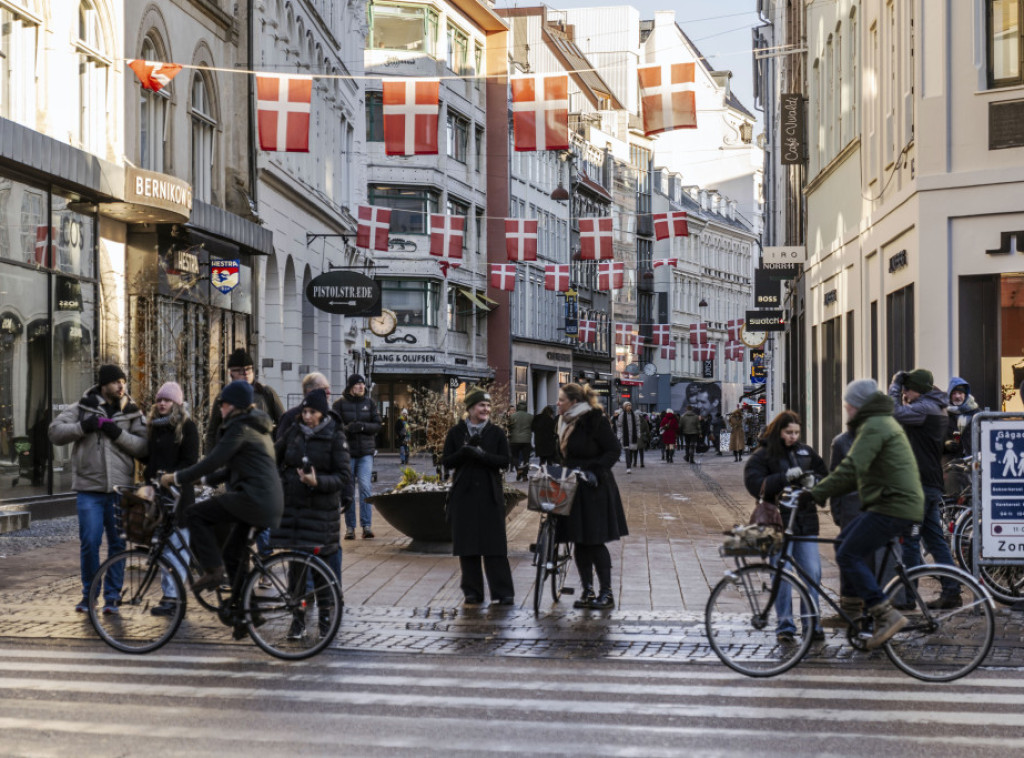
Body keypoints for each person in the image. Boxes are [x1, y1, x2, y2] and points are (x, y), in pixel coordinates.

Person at [809, 379, 924, 649]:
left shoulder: (875, 425)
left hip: (893, 505)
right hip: (890, 502)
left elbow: (851, 468)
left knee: (848, 554)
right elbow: (853, 476)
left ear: (858, 406)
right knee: (843, 543)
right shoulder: (879, 422)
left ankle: (884, 613)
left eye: (848, 405)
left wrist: (815, 494)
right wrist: (821, 492)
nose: (846, 410)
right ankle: (862, 614)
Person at [160, 380, 284, 594]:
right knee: (233, 554)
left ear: (234, 405)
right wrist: (203, 481)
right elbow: (232, 469)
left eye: (223, 404)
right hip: (266, 500)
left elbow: (214, 460)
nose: (220, 408)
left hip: (253, 499)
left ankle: (212, 570)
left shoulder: (240, 428)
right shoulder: (255, 426)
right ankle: (244, 607)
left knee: (194, 514)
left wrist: (177, 477)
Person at [49, 364, 148, 614]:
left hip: (120, 489)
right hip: (89, 489)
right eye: (116, 382)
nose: (121, 386)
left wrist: (117, 433)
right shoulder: (82, 408)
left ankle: (112, 598)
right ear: (103, 385)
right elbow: (55, 432)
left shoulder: (131, 411)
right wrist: (84, 427)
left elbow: (144, 447)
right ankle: (89, 595)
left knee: (117, 545)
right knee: (90, 543)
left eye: (123, 381)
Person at [272, 388, 352, 638]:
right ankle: (297, 619)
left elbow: (343, 476)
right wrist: (282, 481)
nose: (307, 416)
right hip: (295, 510)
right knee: (296, 567)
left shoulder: (335, 436)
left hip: (321, 513)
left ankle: (325, 619)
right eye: (305, 411)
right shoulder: (294, 432)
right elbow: (275, 456)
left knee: (320, 567)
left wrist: (317, 482)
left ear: (322, 413)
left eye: (312, 412)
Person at [744, 410, 829, 643]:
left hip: (805, 521)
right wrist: (784, 477)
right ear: (778, 431)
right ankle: (785, 625)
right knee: (781, 575)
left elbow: (824, 475)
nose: (793, 437)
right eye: (788, 432)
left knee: (812, 573)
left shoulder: (806, 452)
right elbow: (754, 484)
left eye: (796, 432)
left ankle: (812, 623)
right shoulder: (764, 455)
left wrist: (815, 482)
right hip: (777, 522)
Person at [889, 368, 960, 608]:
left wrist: (894, 386)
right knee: (935, 541)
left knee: (910, 541)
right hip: (929, 484)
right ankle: (952, 591)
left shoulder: (924, 409)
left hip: (919, 486)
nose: (905, 394)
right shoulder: (934, 406)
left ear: (917, 390)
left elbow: (893, 412)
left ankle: (908, 598)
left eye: (907, 390)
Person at [556, 383, 628, 609]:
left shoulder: (594, 419)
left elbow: (614, 449)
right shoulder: (563, 421)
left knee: (595, 541)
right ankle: (587, 590)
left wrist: (595, 470)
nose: (558, 403)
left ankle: (606, 593)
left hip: (595, 487)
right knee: (579, 539)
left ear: (574, 402)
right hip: (573, 486)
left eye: (561, 400)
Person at [441, 387, 514, 605]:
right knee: (468, 545)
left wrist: (483, 455)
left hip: (490, 494)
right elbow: (447, 461)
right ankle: (472, 591)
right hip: (464, 495)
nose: (486, 409)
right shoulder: (456, 432)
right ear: (471, 408)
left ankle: (503, 592)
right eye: (482, 405)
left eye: (488, 406)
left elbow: (505, 461)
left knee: (494, 545)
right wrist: (463, 452)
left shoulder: (496, 433)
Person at [142, 382, 199, 617]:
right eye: (159, 400)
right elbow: (150, 460)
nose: (162, 403)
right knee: (164, 547)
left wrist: (170, 476)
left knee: (176, 547)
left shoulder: (187, 427)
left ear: (176, 403)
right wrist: (148, 480)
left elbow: (190, 462)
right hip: (159, 496)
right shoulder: (154, 427)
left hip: (179, 496)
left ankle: (173, 596)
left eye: (166, 400)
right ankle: (170, 595)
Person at [205, 348, 284, 452]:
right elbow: (212, 432)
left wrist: (275, 450)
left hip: (260, 452)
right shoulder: (224, 397)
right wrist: (211, 456)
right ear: (231, 373)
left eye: (248, 369)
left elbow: (284, 423)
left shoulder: (266, 393)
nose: (246, 373)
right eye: (240, 371)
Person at [333, 374, 382, 540]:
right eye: (358, 384)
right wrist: (348, 429)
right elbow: (334, 426)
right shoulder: (339, 404)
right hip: (346, 453)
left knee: (365, 486)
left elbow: (377, 425)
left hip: (365, 453)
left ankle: (366, 525)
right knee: (348, 490)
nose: (361, 387)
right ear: (350, 387)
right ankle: (350, 528)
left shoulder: (370, 403)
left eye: (362, 384)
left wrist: (362, 427)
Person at [276, 372, 331, 443]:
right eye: (324, 389)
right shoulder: (290, 417)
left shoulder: (331, 417)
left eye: (328, 388)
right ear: (309, 391)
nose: (328, 392)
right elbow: (280, 444)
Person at [945, 376, 979, 458]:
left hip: (974, 459)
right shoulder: (944, 413)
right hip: (952, 461)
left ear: (965, 395)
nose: (957, 396)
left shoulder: (977, 413)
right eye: (954, 393)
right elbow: (937, 438)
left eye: (960, 393)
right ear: (950, 395)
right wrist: (945, 445)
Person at [507, 401, 534, 481]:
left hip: (514, 440)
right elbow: (532, 427)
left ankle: (518, 469)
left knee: (515, 456)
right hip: (526, 440)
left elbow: (509, 427)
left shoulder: (512, 416)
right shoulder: (530, 416)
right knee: (526, 458)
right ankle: (525, 475)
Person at [612, 401, 640, 473]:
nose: (629, 407)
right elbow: (619, 426)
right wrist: (619, 435)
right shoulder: (621, 416)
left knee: (631, 452)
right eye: (627, 405)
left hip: (633, 437)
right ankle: (628, 467)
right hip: (625, 437)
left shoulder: (635, 415)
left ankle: (629, 464)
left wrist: (638, 433)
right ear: (624, 407)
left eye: (630, 405)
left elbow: (637, 425)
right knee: (627, 452)